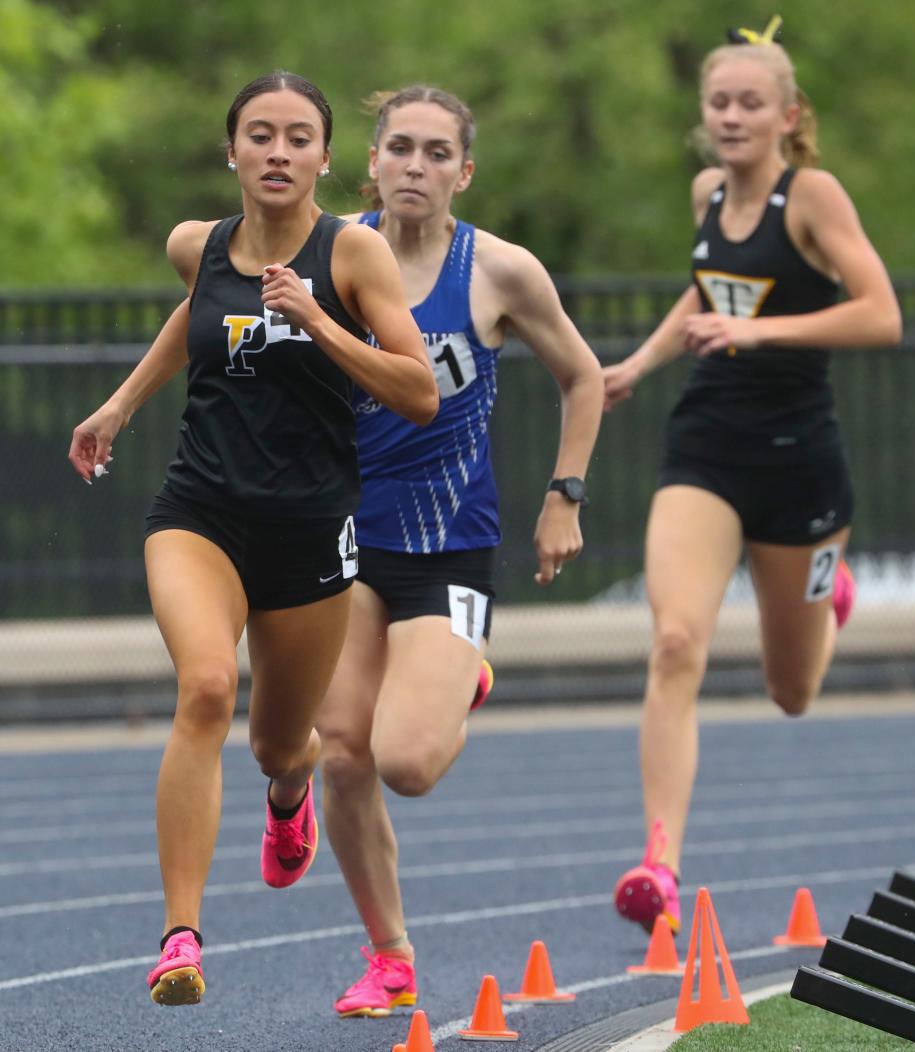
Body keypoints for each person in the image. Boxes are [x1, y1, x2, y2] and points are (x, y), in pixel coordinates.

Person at [67, 71, 438, 1006]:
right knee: (204, 686)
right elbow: (194, 319)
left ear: (323, 158)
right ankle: (180, 938)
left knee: (279, 743)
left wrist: (317, 320)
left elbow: (418, 389)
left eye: (299, 137)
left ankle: (291, 786)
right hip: (202, 511)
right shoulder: (197, 244)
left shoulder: (352, 255)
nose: (278, 152)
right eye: (260, 135)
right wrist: (117, 406)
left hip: (310, 528)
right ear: (231, 149)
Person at [601, 20, 902, 937]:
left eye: (749, 103)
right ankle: (659, 862)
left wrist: (761, 333)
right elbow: (708, 290)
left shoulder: (812, 198)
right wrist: (640, 365)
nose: (731, 118)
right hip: (709, 446)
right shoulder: (705, 193)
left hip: (801, 465)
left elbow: (881, 314)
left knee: (792, 690)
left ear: (787, 114)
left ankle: (828, 592)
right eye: (719, 103)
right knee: (676, 640)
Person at [316, 85, 604, 1018]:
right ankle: (390, 956)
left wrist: (564, 496)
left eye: (437, 153)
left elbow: (583, 376)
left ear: (463, 172)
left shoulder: (499, 272)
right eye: (399, 147)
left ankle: (461, 671)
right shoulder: (326, 256)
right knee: (343, 757)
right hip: (348, 541)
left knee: (406, 761)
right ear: (370, 162)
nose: (415, 166)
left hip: (448, 550)